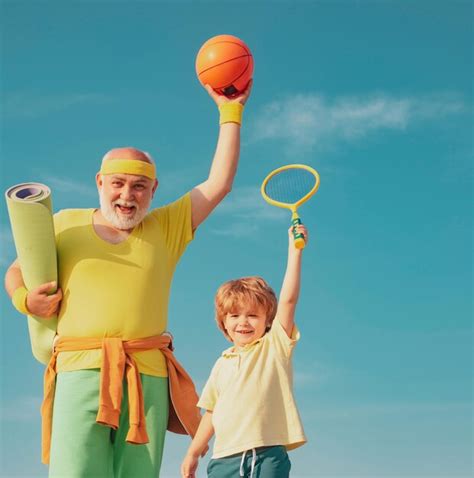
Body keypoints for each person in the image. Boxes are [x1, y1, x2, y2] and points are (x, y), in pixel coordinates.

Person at [4, 81, 252, 477]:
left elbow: (219, 183)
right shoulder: (64, 224)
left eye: (139, 186)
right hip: (78, 369)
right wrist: (25, 301)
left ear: (153, 189)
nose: (127, 195)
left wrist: (230, 112)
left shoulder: (167, 227)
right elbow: (15, 271)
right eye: (117, 183)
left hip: (147, 375)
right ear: (100, 183)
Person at [181, 224, 308, 478]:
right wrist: (193, 452)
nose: (243, 322)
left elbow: (288, 301)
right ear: (223, 321)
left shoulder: (274, 346)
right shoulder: (222, 363)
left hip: (266, 455)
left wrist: (295, 251)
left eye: (252, 315)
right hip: (223, 459)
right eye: (235, 315)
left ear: (267, 320)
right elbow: (212, 412)